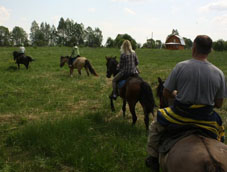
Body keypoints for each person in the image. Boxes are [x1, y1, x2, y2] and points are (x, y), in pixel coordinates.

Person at [146, 35, 227, 172]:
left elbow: (166, 93)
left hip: (180, 114)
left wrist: (175, 94)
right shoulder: (219, 73)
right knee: (221, 134)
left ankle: (153, 158)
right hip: (207, 118)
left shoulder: (181, 66)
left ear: (194, 47)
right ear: (210, 50)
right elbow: (219, 103)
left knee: (155, 126)